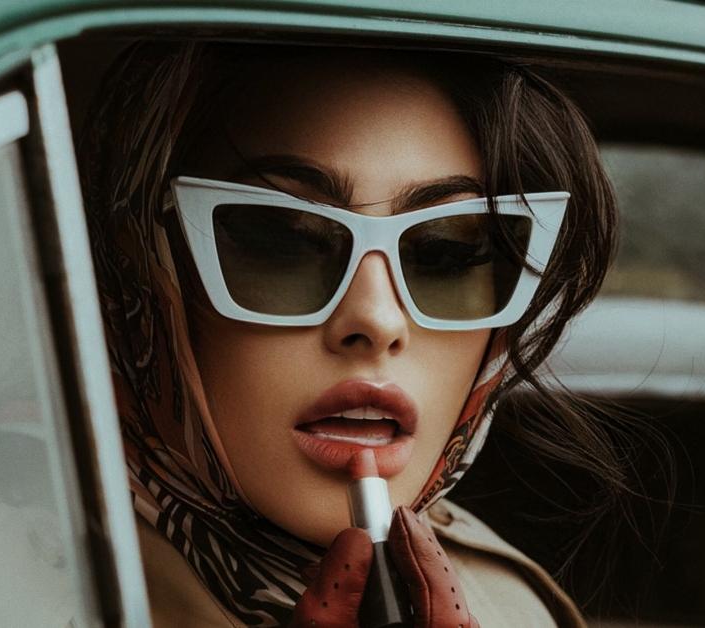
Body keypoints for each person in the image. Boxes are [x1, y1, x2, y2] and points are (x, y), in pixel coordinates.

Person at [77, 41, 617, 627]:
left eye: (447, 252)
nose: (378, 322)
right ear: (140, 270)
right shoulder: (1, 587)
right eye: (283, 240)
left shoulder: (513, 606)